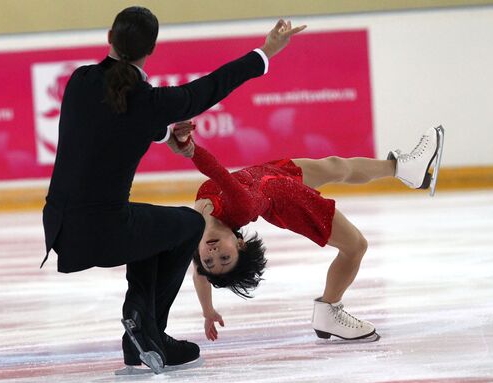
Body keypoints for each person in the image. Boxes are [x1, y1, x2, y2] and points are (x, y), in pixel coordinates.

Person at [40, 6, 306, 374]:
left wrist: (165, 134)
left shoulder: (79, 81)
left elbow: (112, 121)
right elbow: (210, 87)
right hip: (103, 229)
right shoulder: (150, 102)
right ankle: (152, 330)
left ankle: (137, 337)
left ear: (109, 39)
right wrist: (266, 51)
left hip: (60, 229)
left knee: (156, 229)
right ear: (152, 48)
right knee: (189, 226)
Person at [170, 122, 443, 342]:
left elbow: (200, 275)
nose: (214, 253)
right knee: (356, 245)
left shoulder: (194, 231)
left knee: (337, 166)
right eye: (225, 259)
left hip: (266, 173)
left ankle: (405, 169)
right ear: (239, 244)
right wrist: (188, 147)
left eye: (210, 259)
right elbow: (216, 171)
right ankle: (329, 309)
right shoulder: (240, 209)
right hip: (285, 197)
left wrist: (207, 311)